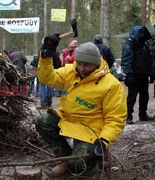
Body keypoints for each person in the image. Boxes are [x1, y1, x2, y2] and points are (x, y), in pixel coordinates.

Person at [35, 34, 127, 176]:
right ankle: (64, 159)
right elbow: (46, 78)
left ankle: (102, 154)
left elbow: (115, 119)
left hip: (90, 130)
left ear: (97, 64)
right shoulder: (70, 71)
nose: (82, 68)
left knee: (79, 165)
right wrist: (46, 57)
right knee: (42, 122)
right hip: (68, 120)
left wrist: (103, 142)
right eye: (79, 64)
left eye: (87, 65)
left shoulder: (111, 85)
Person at [121, 26, 154, 124]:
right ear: (136, 34)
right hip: (133, 77)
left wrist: (151, 74)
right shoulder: (129, 46)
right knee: (131, 98)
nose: (142, 35)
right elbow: (126, 61)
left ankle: (143, 115)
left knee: (145, 97)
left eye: (143, 33)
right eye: (140, 33)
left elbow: (150, 61)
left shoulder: (145, 46)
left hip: (144, 76)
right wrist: (129, 74)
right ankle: (128, 116)